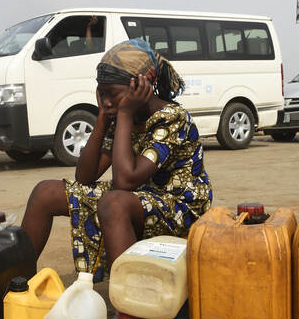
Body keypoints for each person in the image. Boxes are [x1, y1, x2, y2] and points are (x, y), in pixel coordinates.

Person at [20, 38, 213, 281]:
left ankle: (131, 303)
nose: (106, 100)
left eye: (112, 94)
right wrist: (102, 118)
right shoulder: (120, 114)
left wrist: (124, 114)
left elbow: (125, 181)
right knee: (45, 192)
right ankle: (16, 284)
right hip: (139, 196)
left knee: (114, 203)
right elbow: (85, 176)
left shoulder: (173, 118)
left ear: (140, 87)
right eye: (101, 92)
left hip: (180, 206)